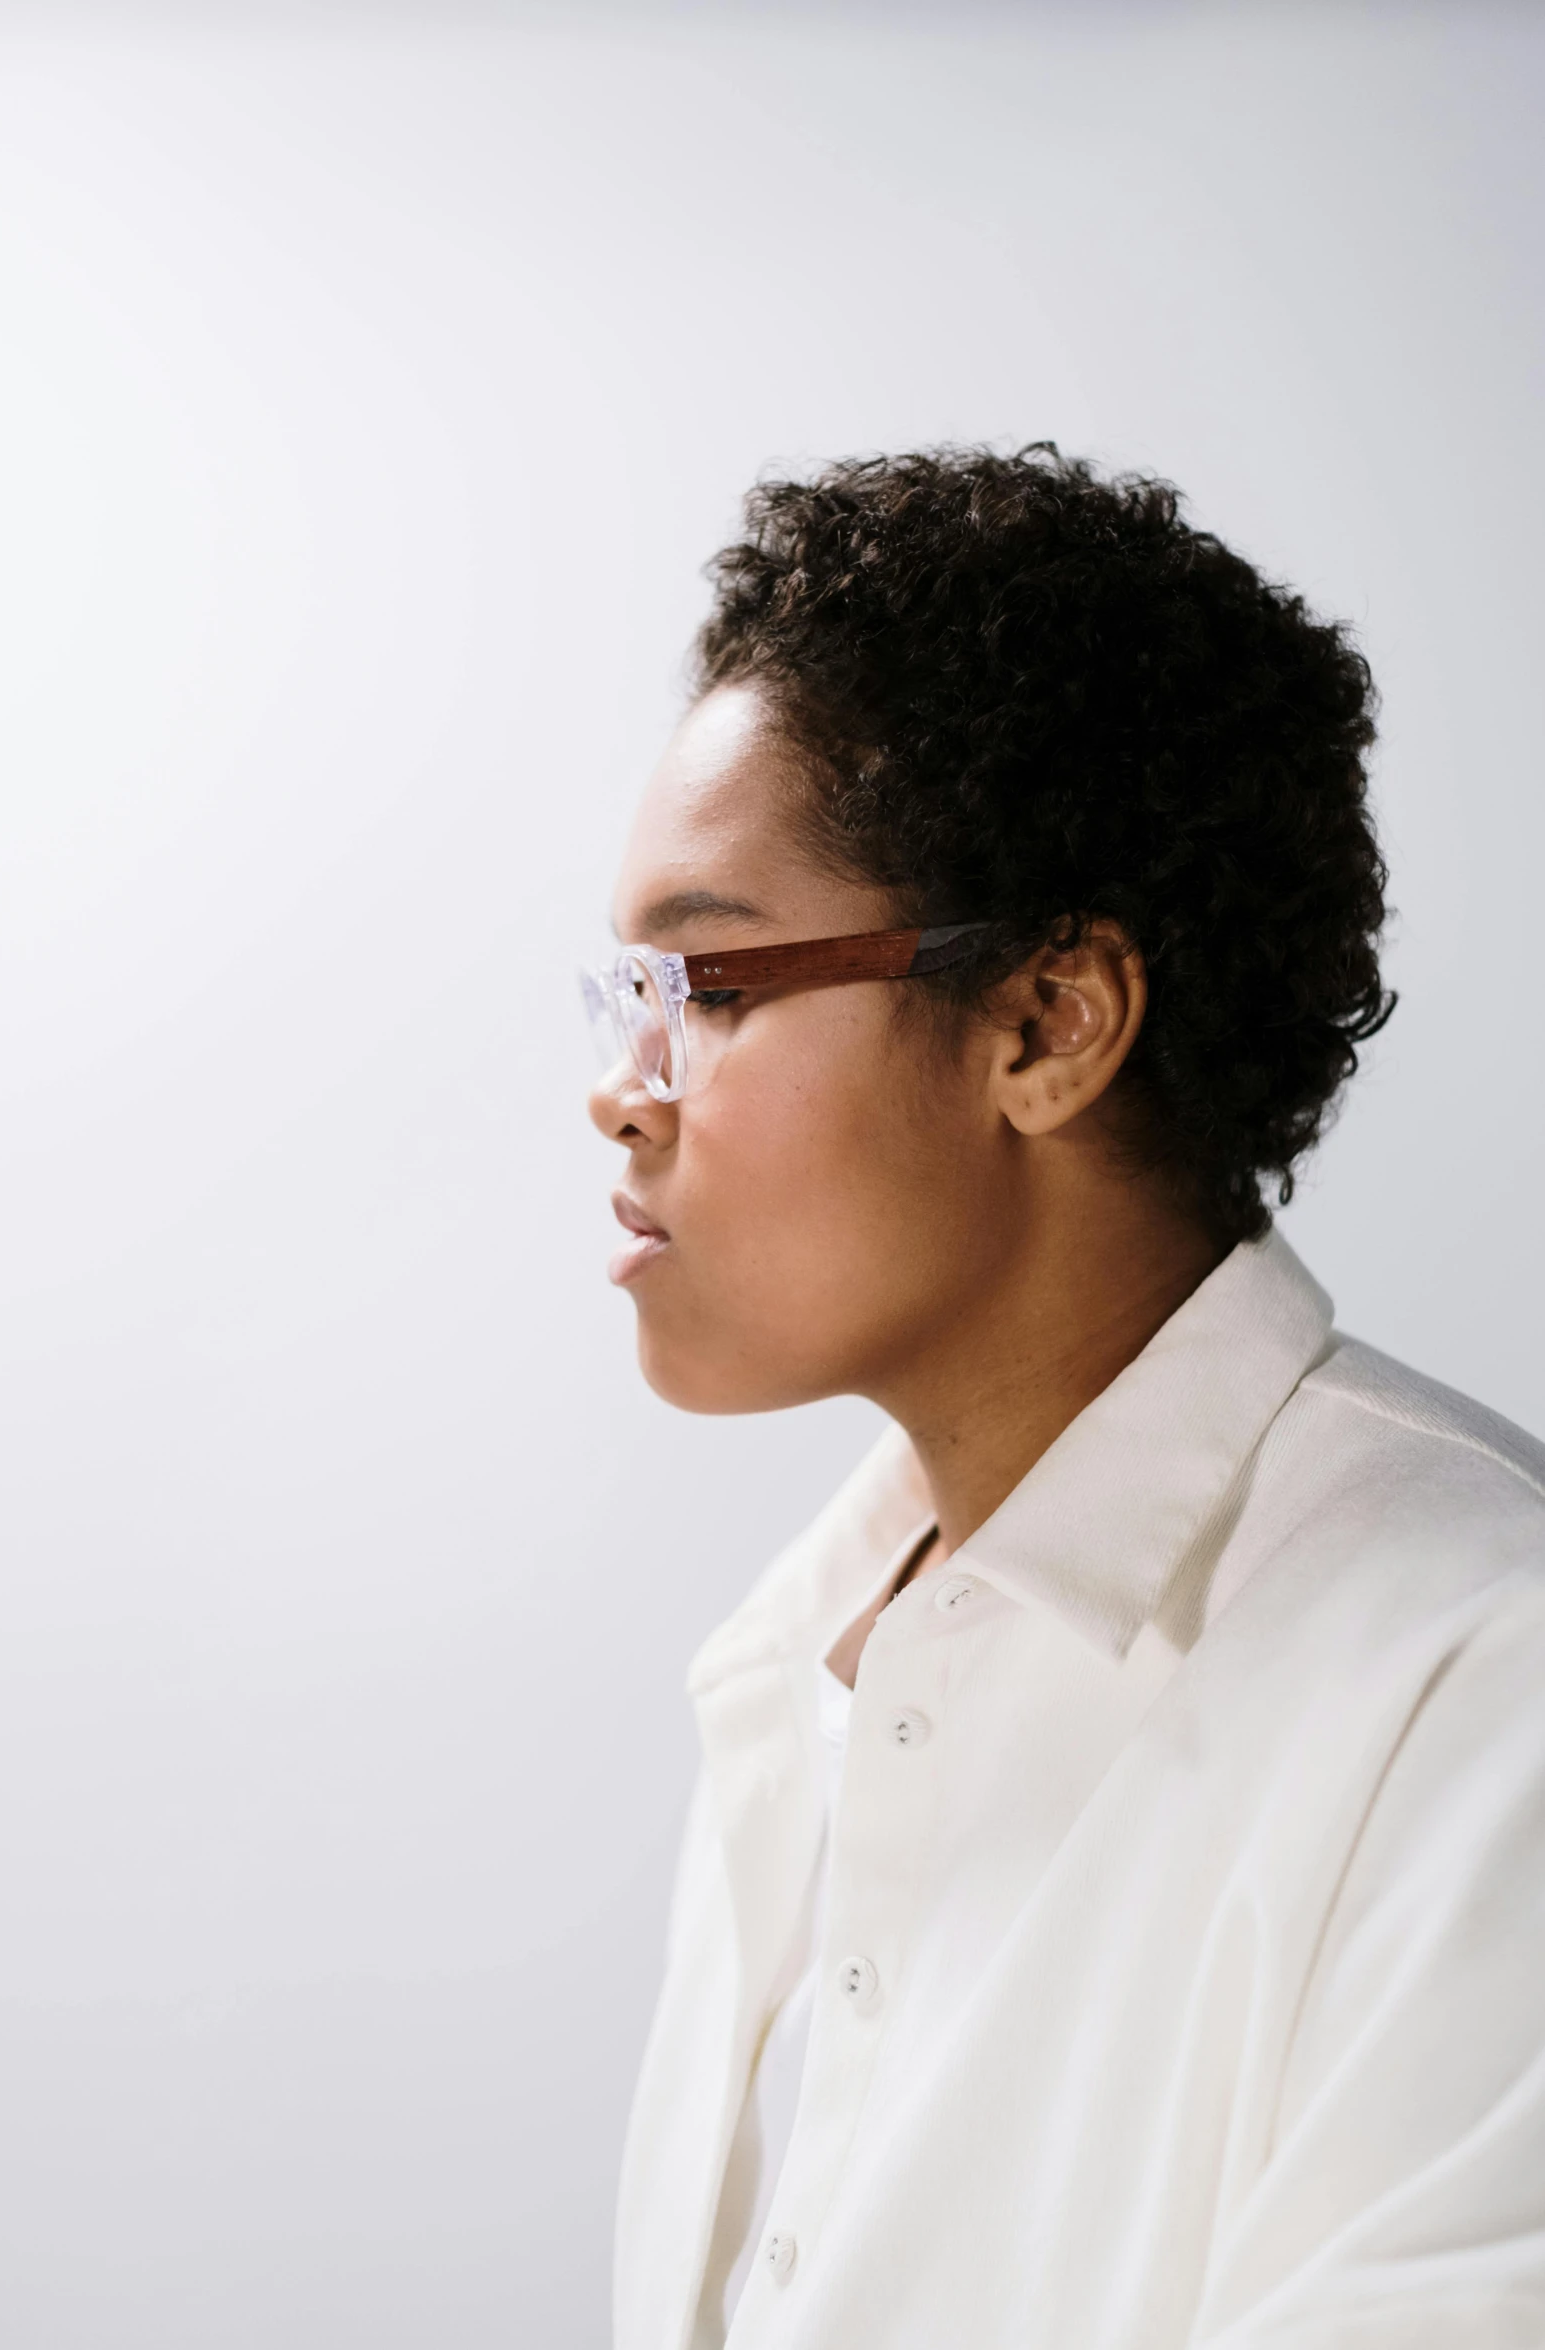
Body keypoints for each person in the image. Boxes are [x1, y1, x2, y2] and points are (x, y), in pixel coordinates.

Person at [584, 447, 1545, 2350]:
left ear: (1046, 1023)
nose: (629, 1081)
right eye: (627, 989)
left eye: (710, 978)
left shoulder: (1476, 1689)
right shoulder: (795, 1672)